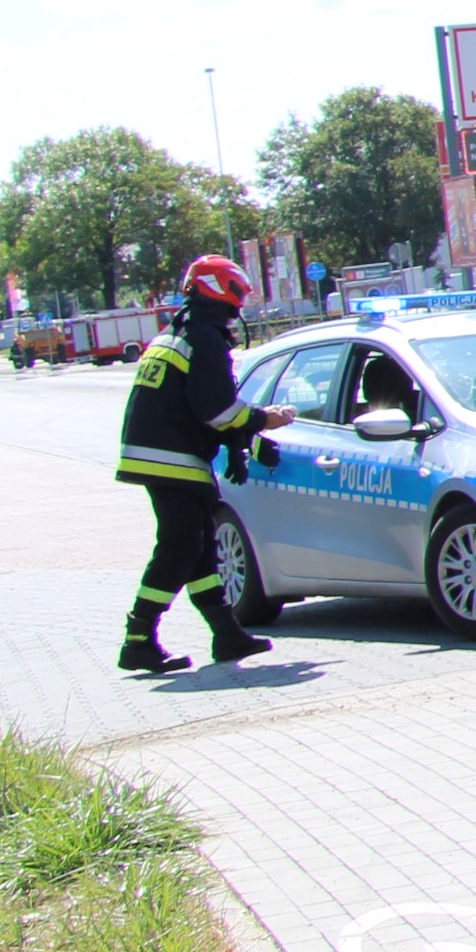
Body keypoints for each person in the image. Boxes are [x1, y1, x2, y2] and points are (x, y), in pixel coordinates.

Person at [114, 254, 292, 673]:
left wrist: (237, 444)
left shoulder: (180, 332)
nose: (241, 306)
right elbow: (218, 411)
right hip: (172, 458)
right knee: (179, 548)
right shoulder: (206, 339)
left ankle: (226, 635)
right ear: (222, 290)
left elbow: (200, 407)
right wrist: (264, 420)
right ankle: (138, 638)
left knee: (199, 546)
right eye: (240, 295)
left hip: (162, 454)